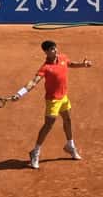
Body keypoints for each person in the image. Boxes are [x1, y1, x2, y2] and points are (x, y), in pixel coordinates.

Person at [12, 40, 92, 170]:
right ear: (46, 52)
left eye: (55, 48)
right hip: (53, 100)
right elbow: (33, 82)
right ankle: (35, 152)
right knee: (48, 125)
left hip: (64, 97)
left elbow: (70, 64)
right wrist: (19, 94)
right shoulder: (45, 68)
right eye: (52, 49)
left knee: (67, 119)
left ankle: (70, 145)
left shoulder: (63, 57)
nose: (55, 50)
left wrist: (83, 64)